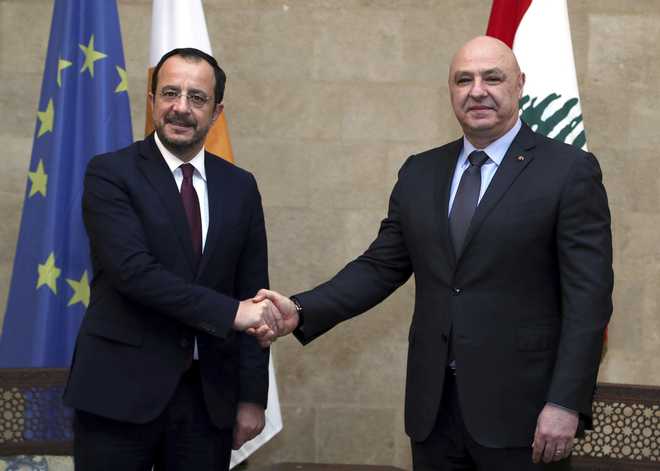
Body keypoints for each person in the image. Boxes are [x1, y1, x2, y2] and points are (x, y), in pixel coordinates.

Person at [251, 36, 613, 470]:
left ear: (519, 84)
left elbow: (588, 301)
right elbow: (380, 267)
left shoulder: (569, 170)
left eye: (492, 78)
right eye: (464, 80)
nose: (477, 90)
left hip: (526, 415)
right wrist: (300, 309)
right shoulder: (421, 171)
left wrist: (565, 402)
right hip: (434, 412)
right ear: (450, 91)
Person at [63, 48, 281, 470]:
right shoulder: (110, 173)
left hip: (207, 402)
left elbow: (254, 292)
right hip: (116, 395)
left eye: (196, 97)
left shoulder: (240, 186)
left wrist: (252, 396)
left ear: (216, 112)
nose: (181, 107)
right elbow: (134, 273)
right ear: (152, 101)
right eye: (170, 93)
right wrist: (231, 313)